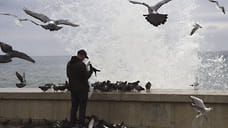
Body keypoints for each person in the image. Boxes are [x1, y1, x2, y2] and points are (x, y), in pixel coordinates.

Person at [66, 49, 94, 127]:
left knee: (74, 107)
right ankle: (81, 124)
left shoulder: (69, 64)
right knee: (82, 107)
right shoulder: (81, 64)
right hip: (82, 90)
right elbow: (86, 76)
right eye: (84, 57)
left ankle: (72, 122)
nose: (84, 59)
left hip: (73, 89)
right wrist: (91, 70)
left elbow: (68, 75)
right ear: (81, 55)